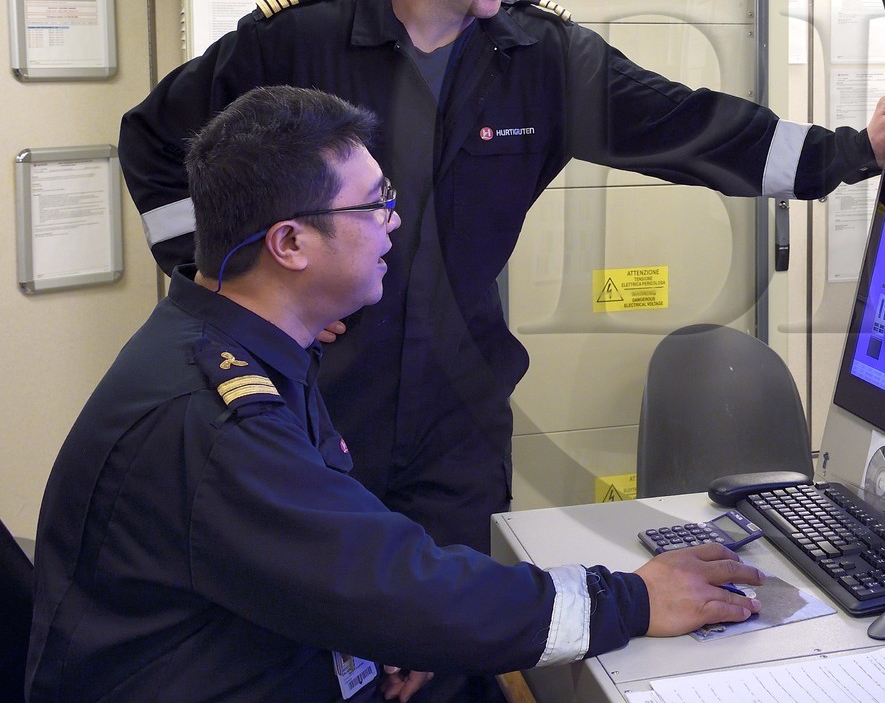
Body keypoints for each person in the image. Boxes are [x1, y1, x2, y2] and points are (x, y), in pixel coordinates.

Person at [120, 0, 885, 556]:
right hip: (312, 403)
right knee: (319, 638)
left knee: (451, 647)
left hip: (456, 418)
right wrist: (222, 286)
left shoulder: (540, 59)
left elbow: (686, 127)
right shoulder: (300, 41)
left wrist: (846, 153)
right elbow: (155, 140)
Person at [27, 86, 763, 703]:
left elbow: (337, 565)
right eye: (374, 205)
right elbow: (388, 581)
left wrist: (375, 635)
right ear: (290, 244)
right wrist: (630, 601)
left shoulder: (239, 343)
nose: (394, 223)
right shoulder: (218, 419)